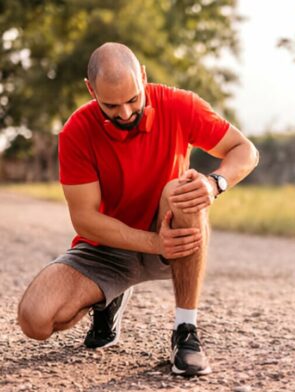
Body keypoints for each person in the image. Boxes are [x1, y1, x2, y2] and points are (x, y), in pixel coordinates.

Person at [17, 42, 259, 377]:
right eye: (111, 105)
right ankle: (106, 299)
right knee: (36, 320)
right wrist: (152, 244)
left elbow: (244, 149)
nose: (126, 114)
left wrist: (214, 183)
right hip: (109, 249)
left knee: (184, 189)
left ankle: (185, 331)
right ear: (91, 90)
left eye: (133, 99)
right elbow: (85, 220)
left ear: (143, 76)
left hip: (171, 232)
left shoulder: (180, 104)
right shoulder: (76, 131)